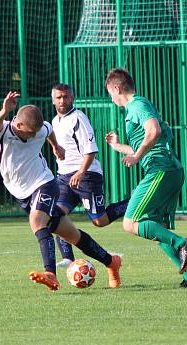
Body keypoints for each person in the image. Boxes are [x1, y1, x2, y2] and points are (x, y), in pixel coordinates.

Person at [0, 91, 122, 291]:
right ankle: (111, 261)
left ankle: (50, 273)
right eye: (30, 133)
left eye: (36, 132)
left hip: (44, 184)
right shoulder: (3, 133)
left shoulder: (40, 129)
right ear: (17, 125)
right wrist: (4, 110)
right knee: (72, 235)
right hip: (21, 194)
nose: (34, 135)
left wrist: (56, 146)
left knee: (37, 221)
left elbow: (48, 130)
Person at [103, 68, 187, 288]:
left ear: (117, 88)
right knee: (155, 229)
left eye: (110, 92)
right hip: (168, 169)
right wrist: (119, 147)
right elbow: (147, 142)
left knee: (130, 223)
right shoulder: (136, 108)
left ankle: (182, 243)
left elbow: (154, 131)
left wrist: (137, 156)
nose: (111, 98)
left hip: (161, 170)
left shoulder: (137, 105)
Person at [48, 84, 129, 267]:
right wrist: (55, 148)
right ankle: (68, 258)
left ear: (72, 98)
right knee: (55, 216)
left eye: (66, 97)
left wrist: (81, 172)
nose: (63, 101)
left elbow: (90, 150)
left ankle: (132, 202)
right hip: (63, 177)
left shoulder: (78, 118)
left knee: (99, 221)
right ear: (53, 100)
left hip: (87, 175)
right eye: (59, 97)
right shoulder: (54, 121)